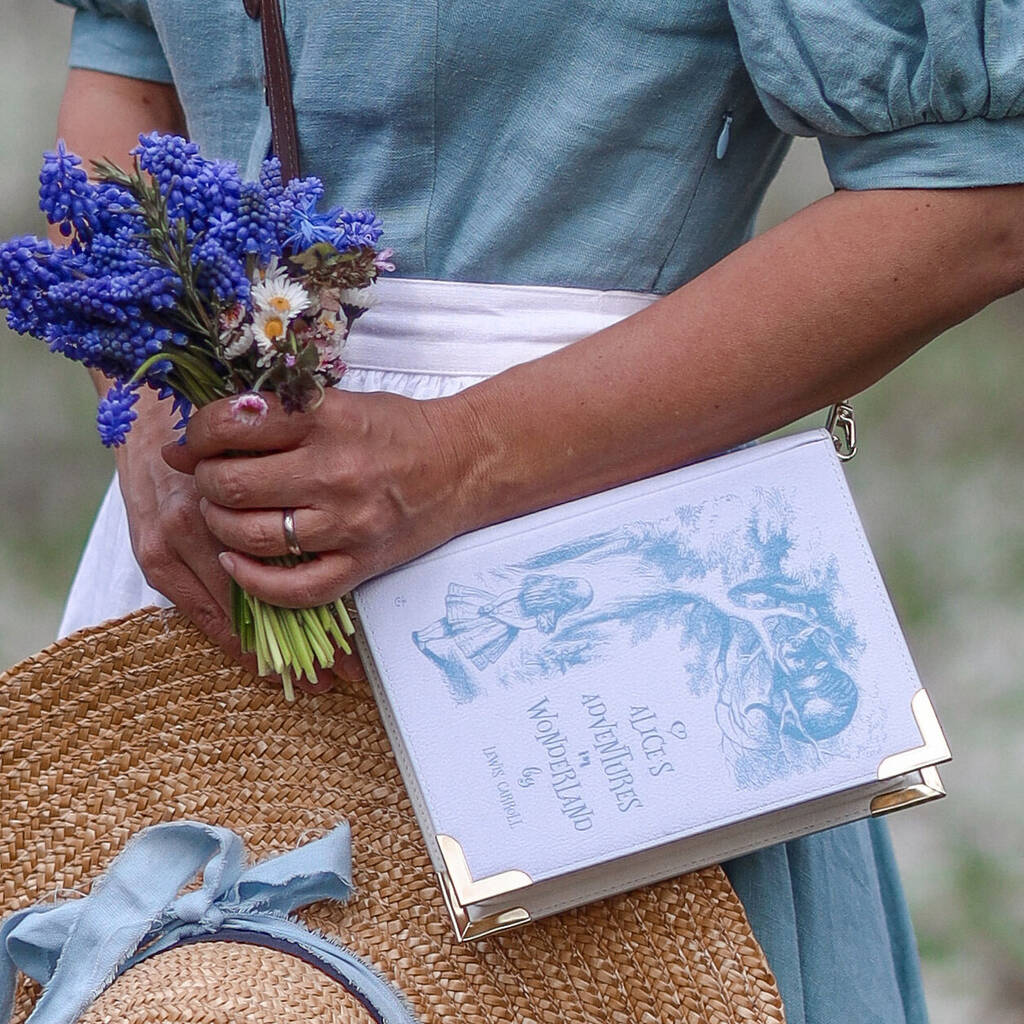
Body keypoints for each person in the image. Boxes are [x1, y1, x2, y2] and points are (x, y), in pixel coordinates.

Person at [48, 1, 1024, 1021]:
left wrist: (454, 457)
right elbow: (124, 56)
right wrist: (152, 403)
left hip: (579, 562)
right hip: (210, 546)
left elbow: (975, 192)